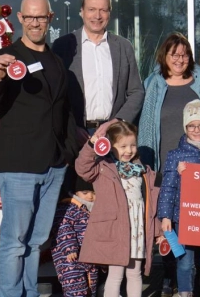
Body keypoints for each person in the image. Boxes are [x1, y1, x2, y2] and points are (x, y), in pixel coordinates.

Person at [0, 0, 77, 297]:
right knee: (14, 241)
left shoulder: (57, 61)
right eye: (30, 17)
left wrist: (67, 155)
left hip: (53, 165)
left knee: (36, 242)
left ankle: (29, 292)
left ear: (50, 19)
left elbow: (63, 111)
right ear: (20, 19)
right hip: (20, 163)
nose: (36, 23)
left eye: (41, 17)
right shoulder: (5, 58)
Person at [75, 121, 163, 297]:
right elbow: (82, 167)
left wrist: (158, 231)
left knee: (135, 273)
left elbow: (152, 204)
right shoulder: (102, 168)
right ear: (110, 145)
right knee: (115, 275)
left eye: (132, 145)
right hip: (116, 231)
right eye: (123, 146)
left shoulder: (144, 172)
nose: (128, 150)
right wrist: (92, 144)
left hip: (137, 232)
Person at [53, 0, 145, 138]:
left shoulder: (123, 46)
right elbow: (56, 94)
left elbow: (136, 91)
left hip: (115, 133)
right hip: (77, 134)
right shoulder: (63, 46)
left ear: (109, 13)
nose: (97, 16)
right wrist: (71, 127)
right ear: (82, 12)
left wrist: (118, 122)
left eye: (103, 10)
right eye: (92, 9)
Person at [158, 100, 200, 297]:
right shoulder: (175, 155)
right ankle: (185, 292)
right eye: (191, 125)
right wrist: (165, 216)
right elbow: (168, 188)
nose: (197, 130)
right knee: (185, 260)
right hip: (183, 216)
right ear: (185, 127)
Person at [138, 32, 200, 171]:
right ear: (164, 56)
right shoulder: (152, 84)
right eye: (174, 55)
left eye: (184, 55)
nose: (180, 60)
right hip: (163, 165)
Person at [51, 176, 100, 297]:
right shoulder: (68, 208)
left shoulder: (93, 209)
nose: (90, 196)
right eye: (85, 193)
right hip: (69, 258)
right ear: (75, 193)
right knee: (75, 289)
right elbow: (63, 229)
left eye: (94, 193)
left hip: (89, 258)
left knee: (91, 288)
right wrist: (70, 248)